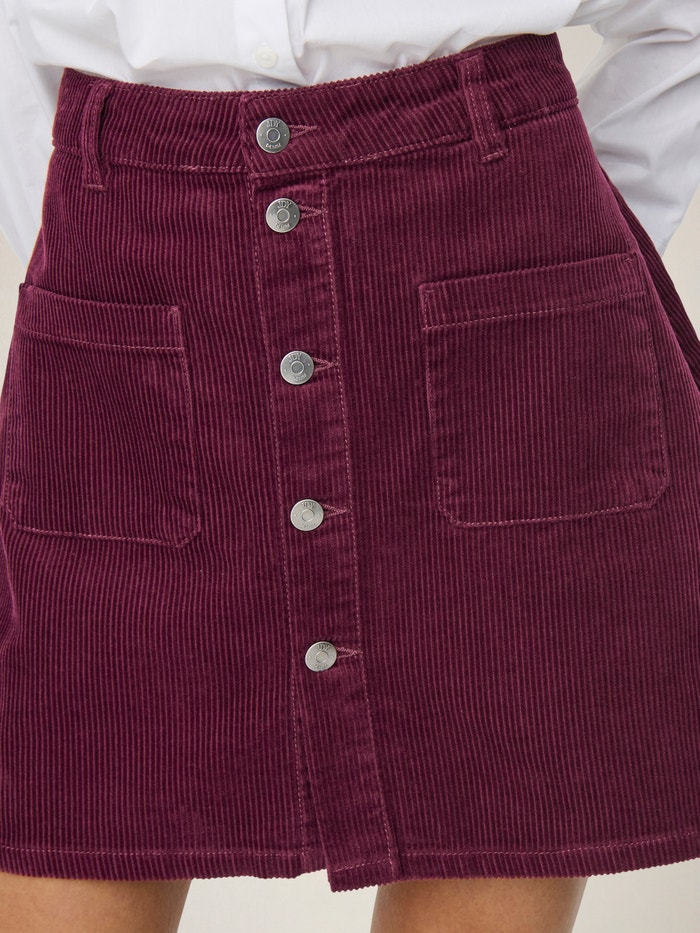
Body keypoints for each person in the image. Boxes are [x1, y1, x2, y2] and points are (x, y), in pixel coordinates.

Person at [0, 2, 698, 932]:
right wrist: (67, 247)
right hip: (124, 294)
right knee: (63, 805)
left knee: (497, 806)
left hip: (496, 285)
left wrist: (579, 241)